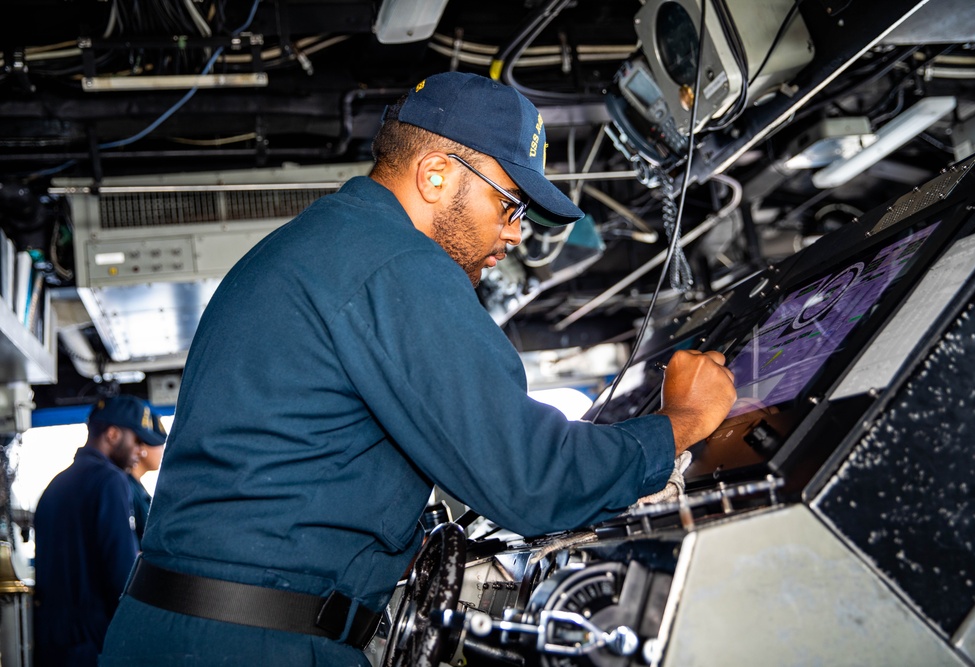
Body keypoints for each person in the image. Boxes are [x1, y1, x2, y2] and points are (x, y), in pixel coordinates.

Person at [101, 72, 736, 666]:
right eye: (511, 205)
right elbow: (532, 480)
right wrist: (679, 421)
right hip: (257, 645)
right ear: (436, 174)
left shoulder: (323, 246)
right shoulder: (397, 264)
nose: (515, 236)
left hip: (184, 629)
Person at [33, 395, 167, 667]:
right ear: (114, 434)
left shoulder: (55, 485)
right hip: (92, 644)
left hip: (52, 643)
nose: (139, 451)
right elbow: (121, 574)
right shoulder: (110, 481)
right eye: (136, 441)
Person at [125, 430, 166, 542]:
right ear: (143, 447)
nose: (163, 451)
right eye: (159, 444)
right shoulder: (128, 487)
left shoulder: (137, 487)